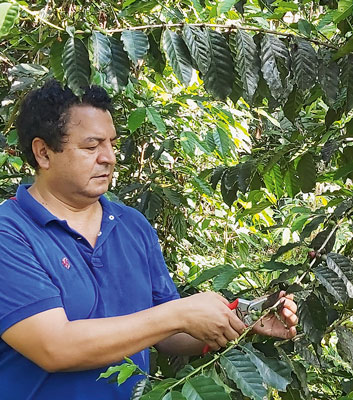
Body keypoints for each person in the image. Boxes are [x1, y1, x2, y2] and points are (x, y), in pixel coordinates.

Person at [0, 80, 298, 400]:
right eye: (91, 146)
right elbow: (54, 347)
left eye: (112, 144)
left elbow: (168, 336)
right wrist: (177, 314)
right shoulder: (10, 233)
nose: (109, 157)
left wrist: (242, 317)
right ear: (43, 152)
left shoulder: (132, 225)